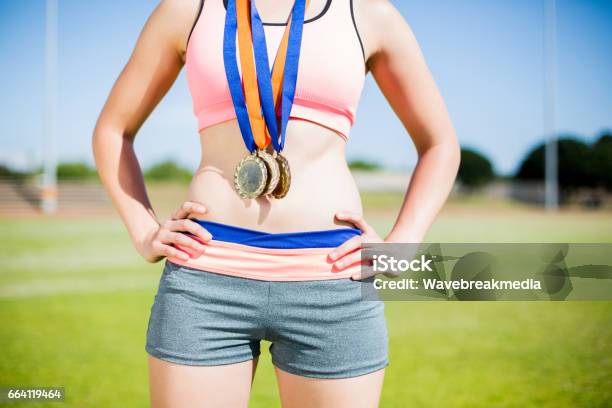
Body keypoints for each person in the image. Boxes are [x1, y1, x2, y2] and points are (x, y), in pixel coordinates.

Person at [92, 0, 459, 406]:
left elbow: (440, 143)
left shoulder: (367, 12)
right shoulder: (189, 9)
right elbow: (113, 129)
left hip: (334, 280)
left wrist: (402, 243)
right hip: (205, 278)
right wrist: (143, 230)